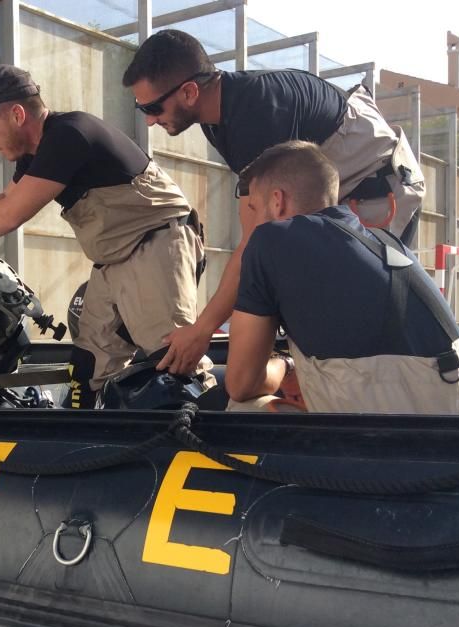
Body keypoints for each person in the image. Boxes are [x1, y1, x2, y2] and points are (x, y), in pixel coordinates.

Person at [122, 29, 425, 375]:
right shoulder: (218, 117)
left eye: (152, 107)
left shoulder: (255, 115)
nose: (148, 119)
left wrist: (202, 330)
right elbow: (254, 216)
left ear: (190, 91)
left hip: (375, 187)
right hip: (335, 186)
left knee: (356, 314)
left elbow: (257, 239)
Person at [0, 64, 207, 409]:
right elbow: (6, 198)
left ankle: (221, 445)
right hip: (113, 260)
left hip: (156, 244)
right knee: (88, 368)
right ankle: (85, 447)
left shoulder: (69, 134)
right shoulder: (36, 152)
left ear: (16, 114)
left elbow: (11, 215)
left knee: (175, 363)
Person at [222, 141, 459, 415]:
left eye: (254, 209)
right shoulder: (387, 242)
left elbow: (242, 383)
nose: (253, 222)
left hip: (411, 435)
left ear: (277, 201)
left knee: (242, 410)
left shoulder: (271, 239)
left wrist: (285, 367)